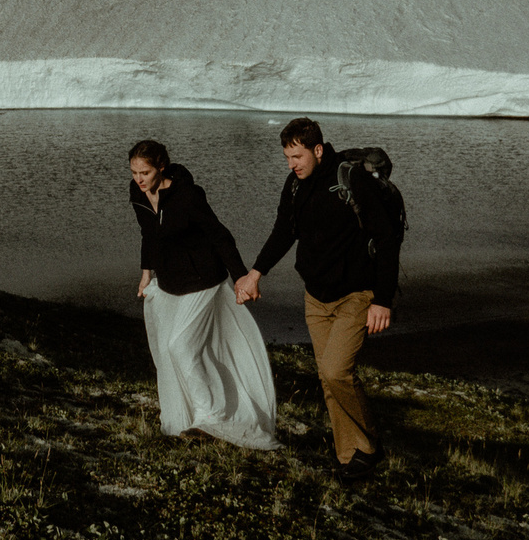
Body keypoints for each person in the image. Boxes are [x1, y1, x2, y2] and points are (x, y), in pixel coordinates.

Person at [236, 117, 400, 481]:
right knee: (329, 380)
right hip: (316, 296)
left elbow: (387, 240)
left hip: (357, 295)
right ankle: (349, 456)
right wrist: (256, 272)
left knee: (336, 370)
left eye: (297, 156)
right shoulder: (295, 186)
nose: (292, 164)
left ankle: (370, 445)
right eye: (287, 157)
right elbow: (284, 231)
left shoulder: (351, 180)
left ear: (318, 149)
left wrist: (382, 300)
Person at [127, 138, 280, 451]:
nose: (138, 179)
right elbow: (149, 235)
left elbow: (220, 236)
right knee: (171, 352)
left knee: (180, 346)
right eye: (133, 172)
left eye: (144, 172)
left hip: (202, 281)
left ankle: (210, 415)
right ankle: (189, 415)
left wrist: (241, 278)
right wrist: (146, 275)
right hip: (170, 284)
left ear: (161, 167)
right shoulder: (138, 193)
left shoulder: (187, 196)